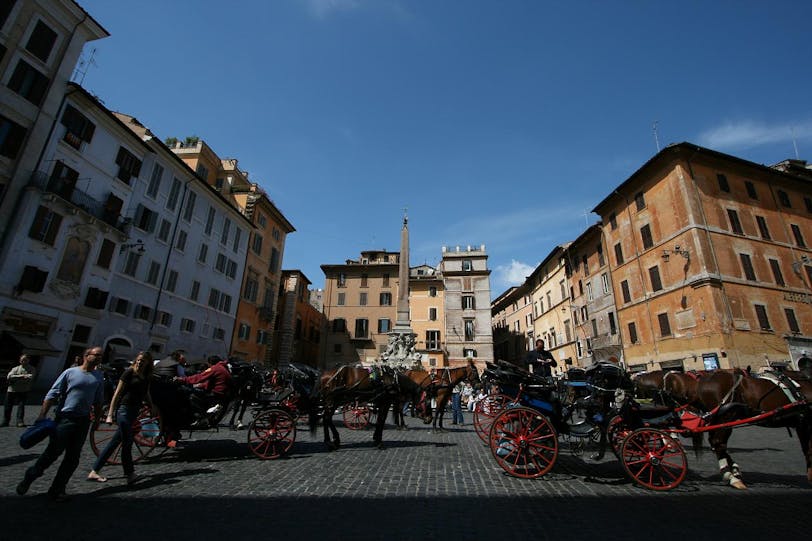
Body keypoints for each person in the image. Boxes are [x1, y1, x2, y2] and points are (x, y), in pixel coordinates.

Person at [17, 346, 104, 502]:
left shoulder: (98, 376)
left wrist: (97, 420)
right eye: (96, 355)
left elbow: (98, 401)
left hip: (83, 421)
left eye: (100, 356)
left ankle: (57, 490)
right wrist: (42, 415)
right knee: (52, 453)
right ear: (86, 355)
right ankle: (30, 476)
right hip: (65, 419)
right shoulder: (70, 373)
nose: (99, 358)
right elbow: (52, 394)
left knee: (73, 458)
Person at [87, 351, 154, 486]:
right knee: (127, 442)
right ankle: (130, 474)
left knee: (115, 442)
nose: (140, 362)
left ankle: (94, 470)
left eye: (143, 361)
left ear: (148, 363)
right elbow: (117, 394)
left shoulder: (146, 377)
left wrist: (152, 406)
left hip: (134, 411)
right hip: (124, 410)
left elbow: (146, 393)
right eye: (138, 360)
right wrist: (110, 414)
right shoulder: (129, 373)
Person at [175, 355, 232, 425]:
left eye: (208, 364)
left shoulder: (215, 368)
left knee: (191, 396)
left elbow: (200, 377)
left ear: (210, 363)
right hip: (222, 394)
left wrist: (182, 379)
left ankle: (203, 416)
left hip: (214, 394)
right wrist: (201, 385)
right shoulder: (224, 368)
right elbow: (214, 382)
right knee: (196, 391)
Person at [151, 350, 188, 447]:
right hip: (168, 394)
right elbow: (183, 378)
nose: (185, 359)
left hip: (155, 391)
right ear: (178, 357)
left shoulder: (159, 363)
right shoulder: (177, 366)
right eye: (183, 357)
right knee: (183, 406)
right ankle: (172, 435)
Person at [3, 354, 36, 427]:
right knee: (8, 406)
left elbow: (30, 377)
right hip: (11, 390)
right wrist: (22, 376)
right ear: (20, 360)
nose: (23, 361)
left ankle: (19, 421)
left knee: (21, 406)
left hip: (23, 390)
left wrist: (16, 377)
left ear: (28, 360)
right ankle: (5, 421)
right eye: (22, 360)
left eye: (25, 360)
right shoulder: (15, 368)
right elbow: (9, 377)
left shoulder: (31, 369)